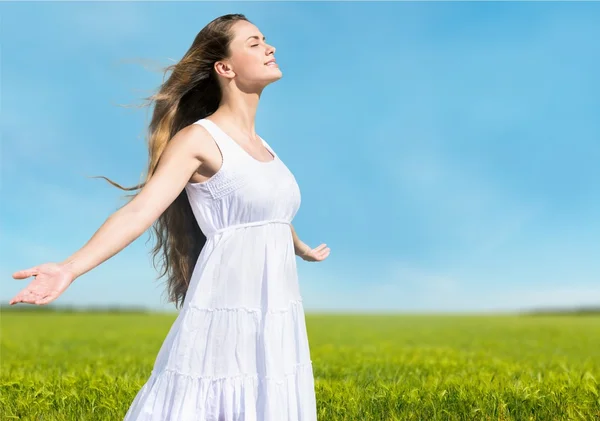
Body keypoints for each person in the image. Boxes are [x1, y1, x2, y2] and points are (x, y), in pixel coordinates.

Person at [9, 13, 330, 421]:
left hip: (275, 307)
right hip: (228, 306)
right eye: (254, 43)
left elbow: (269, 214)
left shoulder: (264, 146)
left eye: (266, 40)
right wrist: (69, 269)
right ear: (225, 68)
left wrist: (299, 247)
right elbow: (141, 210)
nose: (270, 48)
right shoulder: (199, 139)